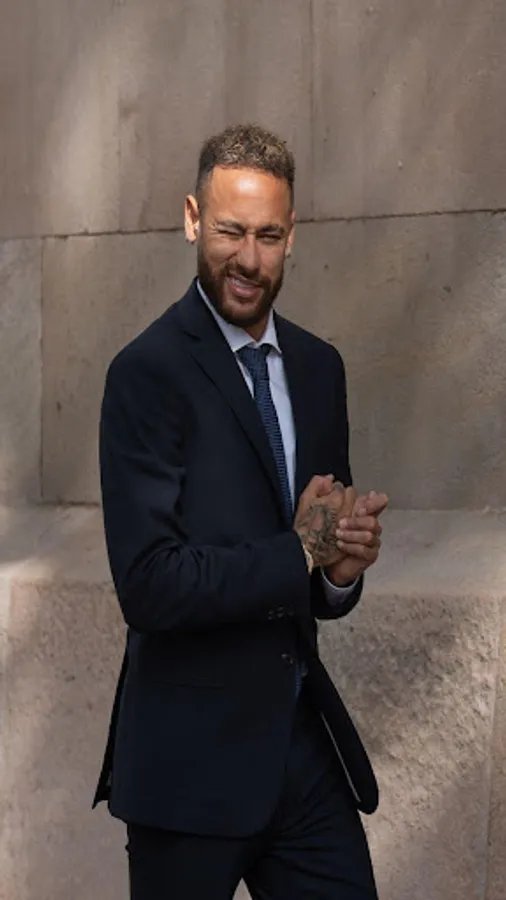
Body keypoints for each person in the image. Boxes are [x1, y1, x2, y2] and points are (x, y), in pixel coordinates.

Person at [93, 123, 388, 899]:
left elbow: (312, 572)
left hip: (302, 756)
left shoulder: (320, 369)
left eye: (267, 236)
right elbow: (149, 585)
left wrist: (339, 574)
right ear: (193, 219)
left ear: (293, 234)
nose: (248, 259)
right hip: (186, 775)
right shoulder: (146, 373)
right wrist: (301, 552)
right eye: (230, 232)